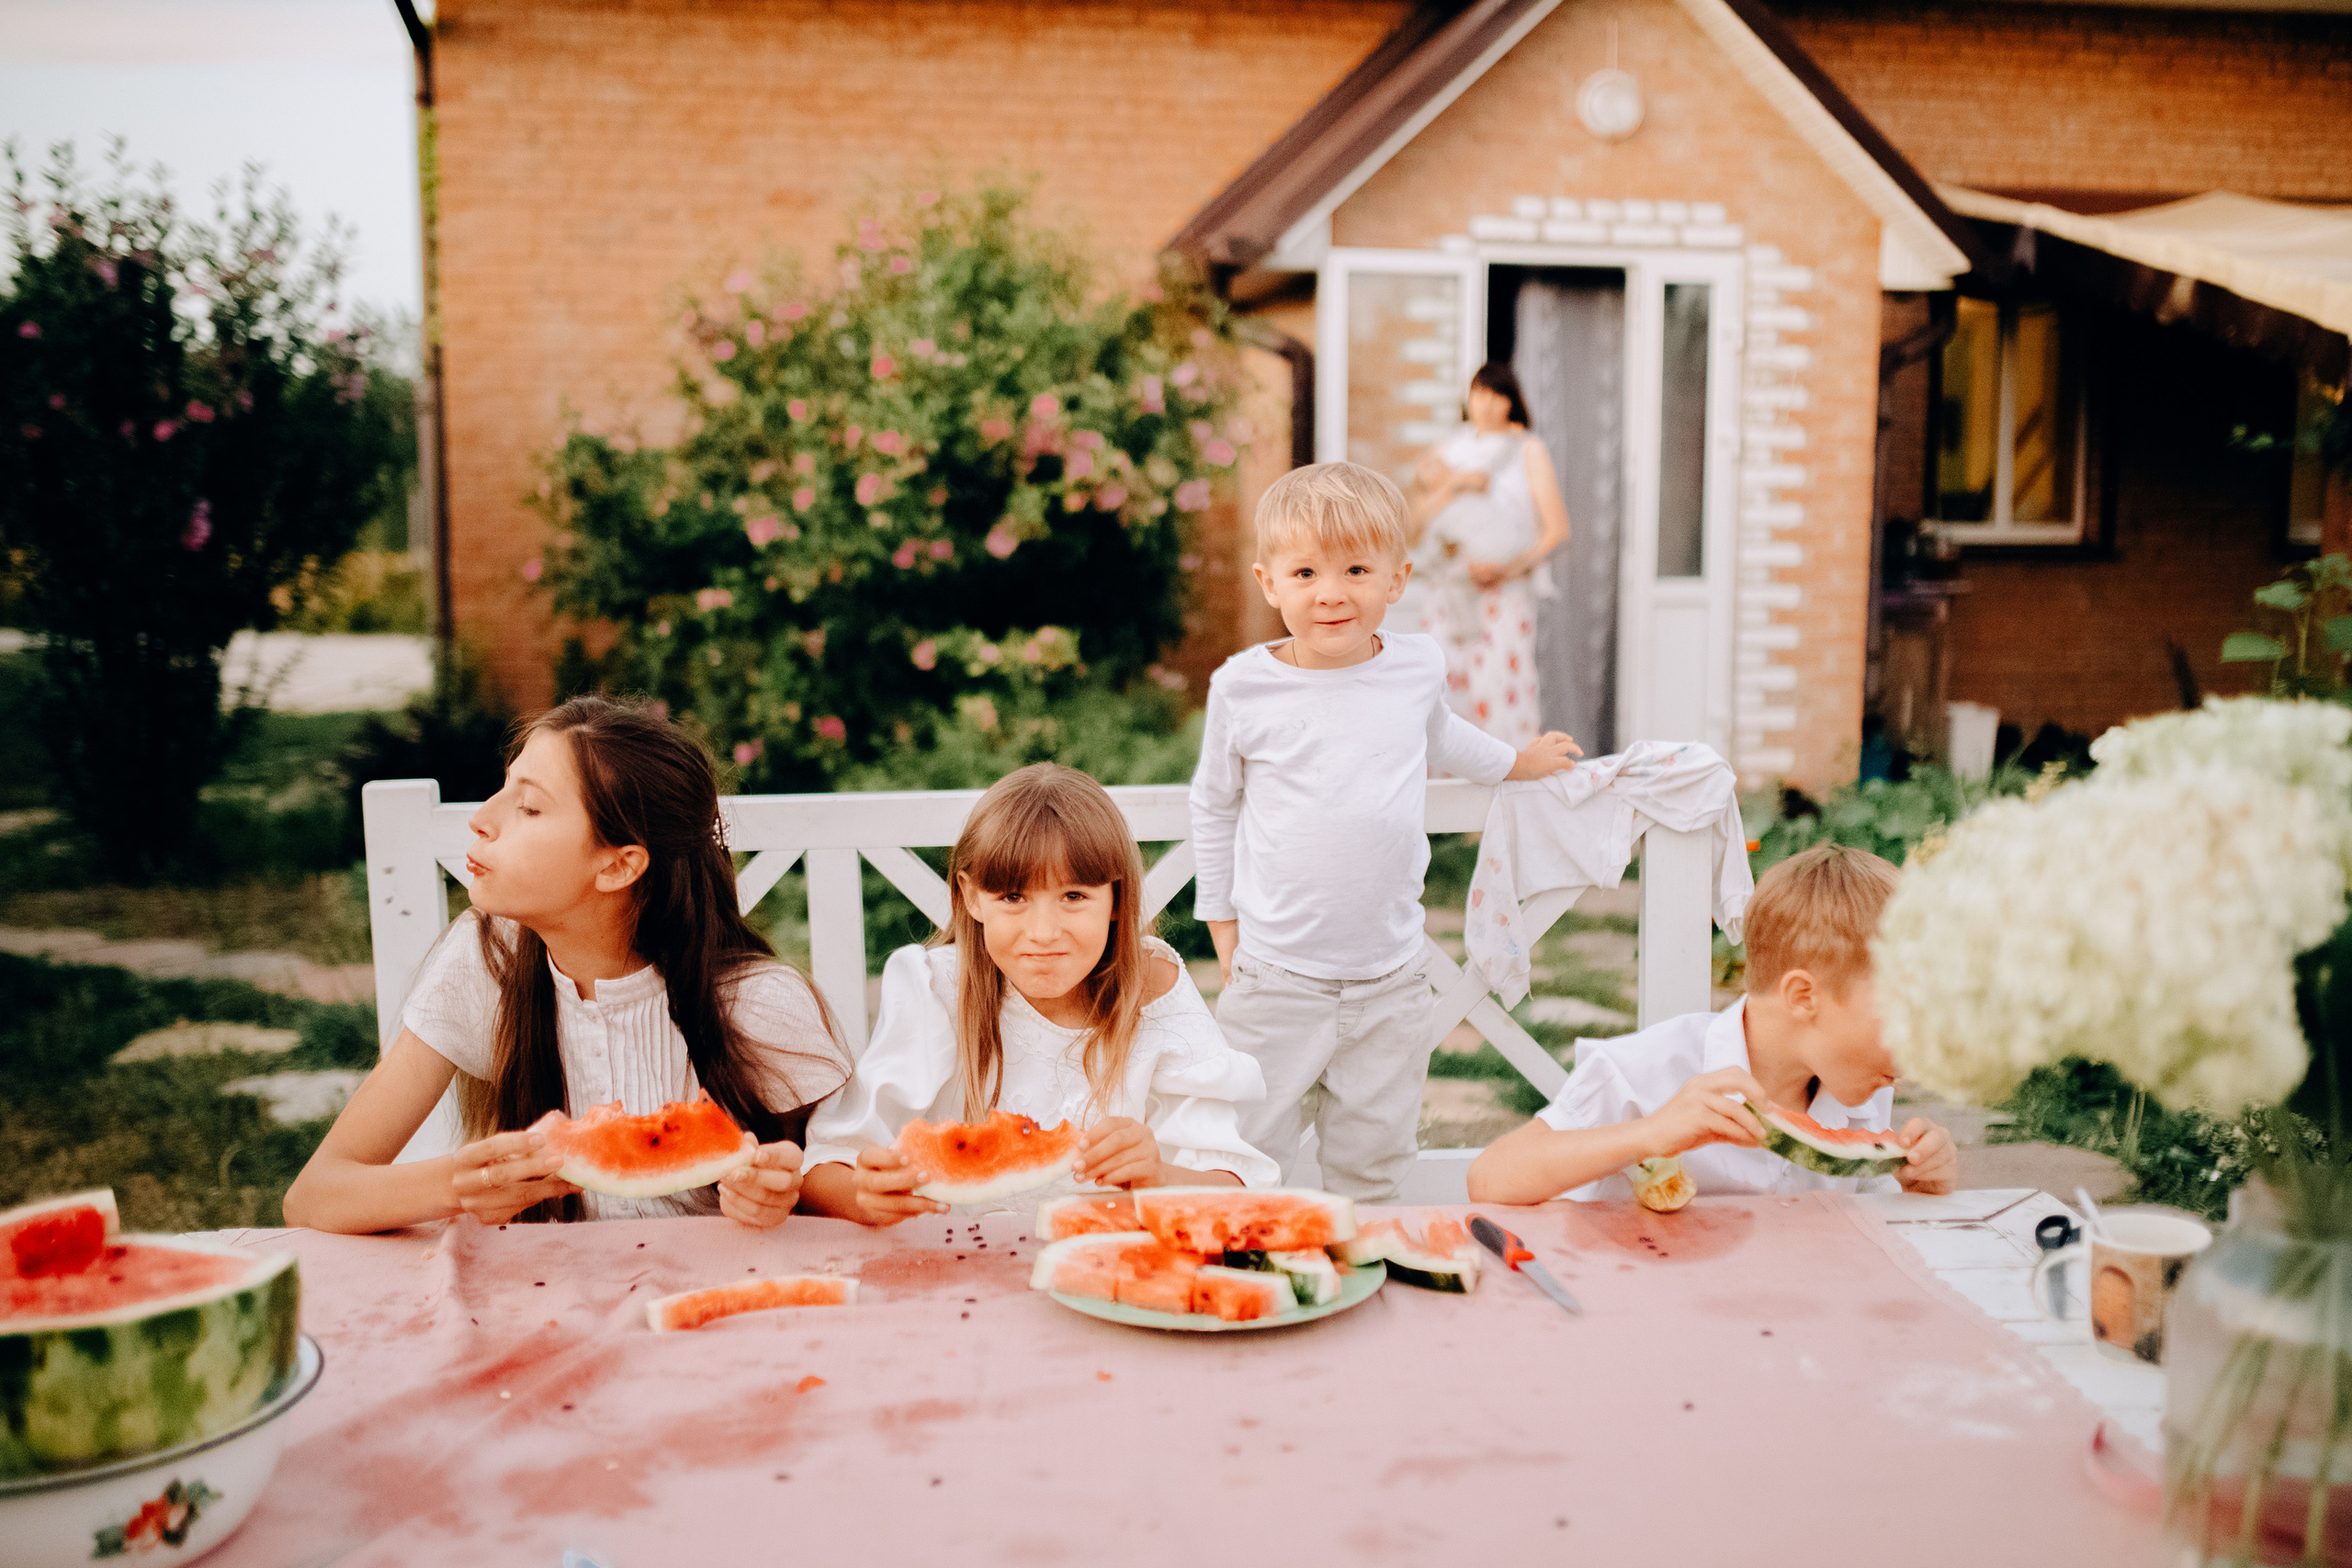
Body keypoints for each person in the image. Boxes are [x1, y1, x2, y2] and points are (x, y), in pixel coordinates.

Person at [283, 696, 848, 1234]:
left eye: (529, 807)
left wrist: (782, 1192)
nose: (481, 818)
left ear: (618, 866)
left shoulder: (757, 1004)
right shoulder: (487, 963)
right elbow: (313, 1196)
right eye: (503, 788)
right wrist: (460, 1184)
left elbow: (828, 1182)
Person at [1191, 461, 1582, 1201]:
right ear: (1269, 583)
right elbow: (1213, 805)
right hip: (1276, 977)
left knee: (1371, 1164)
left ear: (1397, 579)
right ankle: (1250, 1262)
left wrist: (1517, 762)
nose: (1331, 592)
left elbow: (1446, 737)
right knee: (1246, 1155)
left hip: (1391, 978)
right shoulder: (1243, 687)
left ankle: (1365, 1259)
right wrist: (1221, 923)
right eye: (1305, 572)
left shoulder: (1416, 665)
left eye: (1356, 569)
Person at [799, 763, 1279, 1226]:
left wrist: (1161, 1176)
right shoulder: (937, 988)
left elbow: (1239, 1189)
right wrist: (864, 1198)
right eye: (1013, 897)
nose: (1043, 932)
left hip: (1106, 1263)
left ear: (1116, 898)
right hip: (953, 1262)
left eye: (1074, 896)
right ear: (971, 895)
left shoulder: (1154, 991)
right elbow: (823, 1167)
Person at [1465, 842, 1959, 1204]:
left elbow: (1869, 1222)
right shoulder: (1645, 1072)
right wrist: (1652, 1133)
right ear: (1804, 997)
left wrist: (1921, 1184)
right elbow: (1489, 1178)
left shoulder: (1860, 1091)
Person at [1409, 361, 1573, 749]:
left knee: (1501, 693)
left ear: (1511, 401)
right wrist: (1458, 484)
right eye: (1479, 392)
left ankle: (1511, 780)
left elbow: (1556, 530)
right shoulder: (1446, 451)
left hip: (1502, 594)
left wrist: (1508, 570)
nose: (1485, 403)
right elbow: (1413, 523)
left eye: (1496, 394)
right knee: (1444, 695)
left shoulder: (1527, 449)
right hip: (1449, 592)